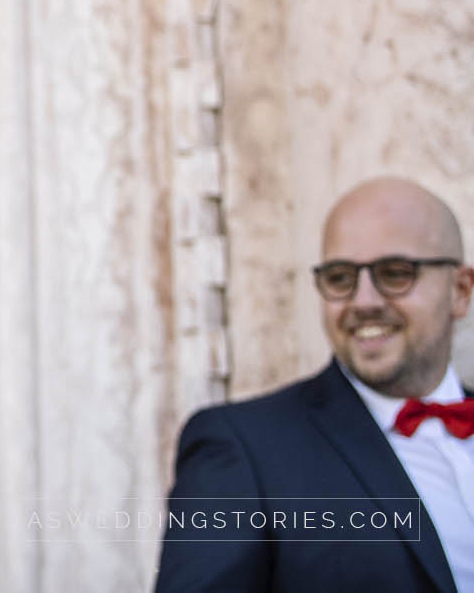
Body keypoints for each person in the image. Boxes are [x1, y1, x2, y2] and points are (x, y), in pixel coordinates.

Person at [155, 176, 474, 593]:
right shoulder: (241, 448)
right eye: (340, 277)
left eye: (396, 273)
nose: (363, 302)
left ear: (461, 291)